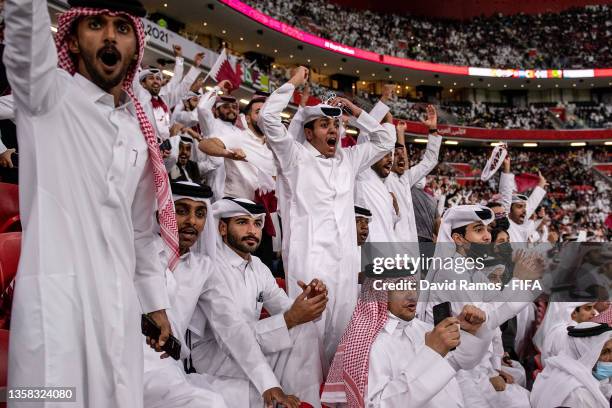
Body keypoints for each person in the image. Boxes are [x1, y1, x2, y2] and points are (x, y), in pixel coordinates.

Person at [4, 1, 174, 406]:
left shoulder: (136, 129)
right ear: (74, 42)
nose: (110, 36)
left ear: (135, 46)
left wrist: (155, 304)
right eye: (96, 25)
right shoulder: (46, 98)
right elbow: (24, 37)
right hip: (55, 306)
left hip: (118, 307)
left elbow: (139, 230)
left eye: (121, 27)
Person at [259, 66, 395, 366]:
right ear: (309, 133)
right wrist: (293, 82)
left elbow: (386, 140)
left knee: (341, 333)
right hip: (310, 258)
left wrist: (356, 112)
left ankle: (334, 394)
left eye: (335, 125)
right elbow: (267, 117)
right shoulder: (295, 156)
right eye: (324, 125)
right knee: (309, 337)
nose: (332, 130)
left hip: (345, 262)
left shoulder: (349, 159)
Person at [189, 197, 326, 408]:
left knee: (304, 330)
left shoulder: (258, 267)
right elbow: (232, 334)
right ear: (223, 228)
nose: (252, 230)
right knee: (294, 329)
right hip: (216, 354)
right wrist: (292, 317)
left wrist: (309, 305)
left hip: (253, 342)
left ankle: (305, 404)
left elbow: (287, 310)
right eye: (243, 222)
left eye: (257, 224)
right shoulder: (212, 267)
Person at [322, 279, 494, 408]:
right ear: (380, 293)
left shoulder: (424, 329)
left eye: (413, 285)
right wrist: (431, 352)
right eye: (400, 287)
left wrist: (471, 332)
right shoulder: (368, 345)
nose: (412, 294)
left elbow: (460, 362)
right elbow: (378, 405)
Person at [198, 92, 276, 201]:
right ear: (247, 119)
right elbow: (204, 144)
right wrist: (228, 153)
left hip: (262, 209)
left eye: (266, 113)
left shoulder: (273, 146)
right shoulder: (239, 137)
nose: (263, 117)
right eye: (258, 112)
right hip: (237, 207)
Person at [385, 118, 442, 244]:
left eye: (404, 155)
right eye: (397, 155)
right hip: (390, 247)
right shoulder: (383, 179)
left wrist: (433, 129)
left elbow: (430, 160)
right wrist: (399, 134)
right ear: (387, 159)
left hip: (411, 247)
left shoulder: (406, 178)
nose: (402, 158)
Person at [531, 322, 612, 408]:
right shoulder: (579, 394)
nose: (611, 358)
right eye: (605, 352)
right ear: (584, 353)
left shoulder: (555, 370)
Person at [134, 46, 204, 141]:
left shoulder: (164, 99)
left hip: (164, 149)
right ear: (142, 83)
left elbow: (180, 82)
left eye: (158, 78)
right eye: (151, 78)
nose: (156, 81)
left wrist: (185, 61)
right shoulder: (138, 97)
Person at [499, 155, 548, 243]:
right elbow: (505, 195)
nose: (525, 210)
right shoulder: (506, 225)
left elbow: (531, 205)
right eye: (519, 207)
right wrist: (506, 168)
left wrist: (541, 185)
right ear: (509, 210)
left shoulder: (523, 228)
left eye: (524, 207)